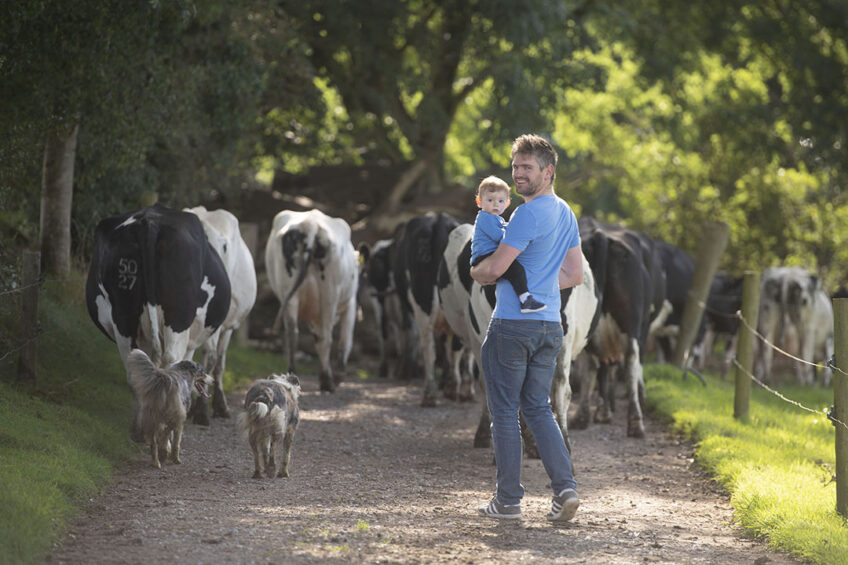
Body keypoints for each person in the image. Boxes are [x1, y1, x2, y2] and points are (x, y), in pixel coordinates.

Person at [470, 134, 583, 522]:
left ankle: (508, 501)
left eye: (526, 168)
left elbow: (496, 268)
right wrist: (540, 283)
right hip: (549, 326)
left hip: (512, 327)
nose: (517, 174)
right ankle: (565, 488)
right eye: (515, 166)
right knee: (539, 409)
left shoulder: (525, 214)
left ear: (547, 172)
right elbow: (574, 274)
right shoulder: (566, 212)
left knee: (503, 412)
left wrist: (476, 271)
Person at [471, 176, 547, 313]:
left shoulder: (496, 219)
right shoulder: (484, 218)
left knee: (514, 269)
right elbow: (499, 236)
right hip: (484, 256)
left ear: (506, 203)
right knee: (515, 269)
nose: (495, 205)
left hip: (490, 254)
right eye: (490, 200)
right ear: (479, 202)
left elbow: (504, 230)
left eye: (500, 201)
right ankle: (525, 299)